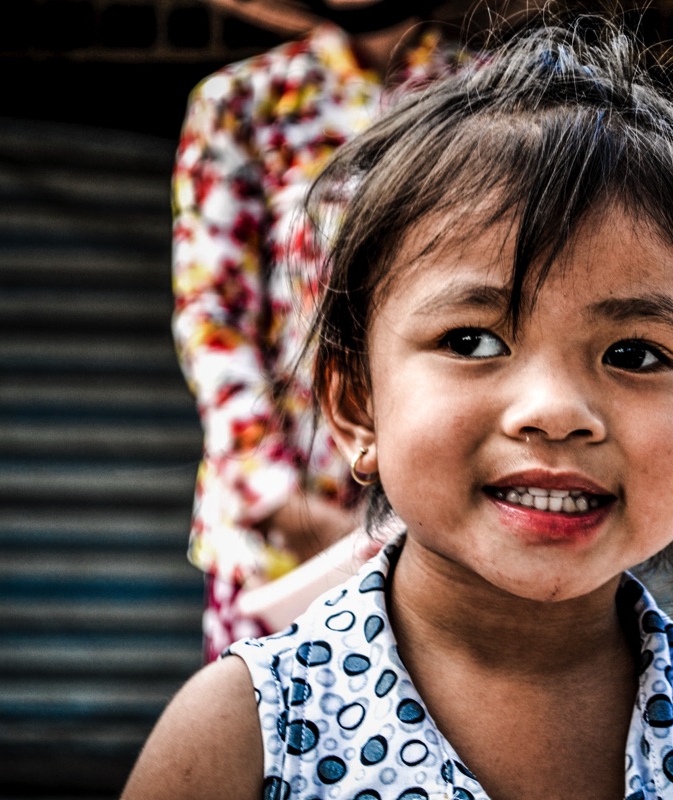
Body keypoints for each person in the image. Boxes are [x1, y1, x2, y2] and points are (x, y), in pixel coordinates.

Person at [125, 19, 673, 799]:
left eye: (633, 354)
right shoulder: (241, 735)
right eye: (472, 340)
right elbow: (213, 320)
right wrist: (277, 501)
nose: (554, 412)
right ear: (355, 400)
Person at [171, 0, 474, 660]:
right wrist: (280, 503)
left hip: (451, 508)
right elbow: (212, 314)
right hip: (287, 530)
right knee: (275, 735)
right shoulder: (242, 102)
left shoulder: (487, 99)